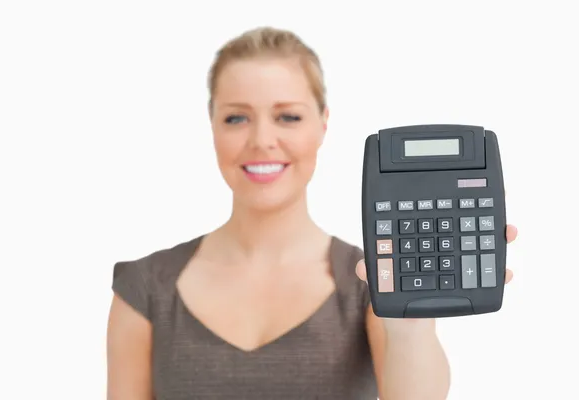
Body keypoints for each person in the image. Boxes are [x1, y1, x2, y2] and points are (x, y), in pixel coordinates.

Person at [106, 26, 517, 400]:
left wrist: (411, 315)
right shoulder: (145, 287)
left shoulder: (370, 279)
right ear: (211, 125)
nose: (263, 140)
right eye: (236, 118)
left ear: (323, 124)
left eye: (288, 116)